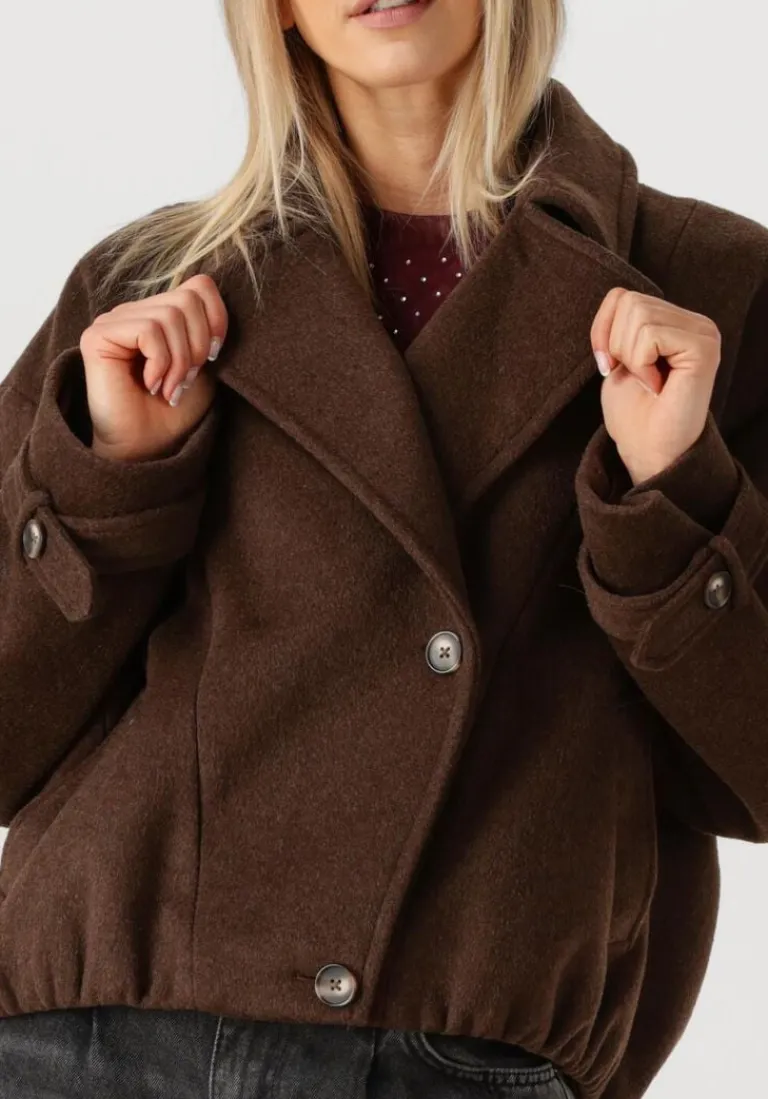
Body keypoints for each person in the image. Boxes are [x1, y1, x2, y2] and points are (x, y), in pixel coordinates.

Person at [1, 0, 767, 1096]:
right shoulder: (151, 285)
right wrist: (109, 480)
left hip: (446, 1053)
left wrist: (673, 492)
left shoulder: (705, 289)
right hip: (86, 1040)